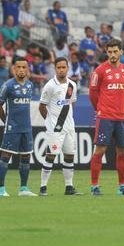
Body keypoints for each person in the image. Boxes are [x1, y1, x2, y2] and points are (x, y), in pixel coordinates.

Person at [88, 41, 124, 194]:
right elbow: (93, 94)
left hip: (121, 117)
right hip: (105, 117)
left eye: (115, 51)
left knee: (123, 152)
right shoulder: (99, 71)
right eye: (110, 52)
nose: (112, 55)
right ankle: (94, 186)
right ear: (106, 53)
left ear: (121, 52)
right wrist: (100, 109)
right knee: (100, 150)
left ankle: (122, 186)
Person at [0, 58, 39, 197]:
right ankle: (1, 189)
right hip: (12, 127)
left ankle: (23, 188)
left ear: (27, 69)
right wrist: (6, 121)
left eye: (24, 67)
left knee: (26, 156)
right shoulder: (8, 85)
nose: (21, 69)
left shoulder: (30, 85)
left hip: (26, 127)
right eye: (18, 67)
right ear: (14, 69)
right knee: (6, 155)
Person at [38, 57, 80, 195]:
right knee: (51, 155)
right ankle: (43, 187)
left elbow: (71, 103)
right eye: (59, 67)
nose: (61, 70)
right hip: (55, 128)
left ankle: (69, 187)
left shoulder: (72, 85)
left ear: (67, 68)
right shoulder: (50, 86)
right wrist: (50, 122)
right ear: (55, 68)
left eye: (64, 67)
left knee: (69, 155)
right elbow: (42, 106)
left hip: (69, 127)